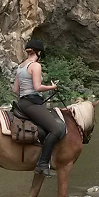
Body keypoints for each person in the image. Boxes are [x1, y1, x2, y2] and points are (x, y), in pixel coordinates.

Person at [13, 39, 63, 177]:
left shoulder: (20, 66)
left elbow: (15, 90)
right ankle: (42, 164)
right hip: (31, 103)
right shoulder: (35, 66)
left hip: (22, 103)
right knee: (56, 130)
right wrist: (52, 87)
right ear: (39, 52)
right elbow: (37, 87)